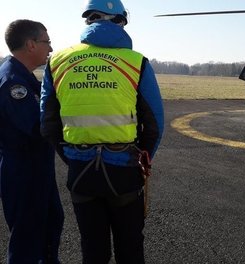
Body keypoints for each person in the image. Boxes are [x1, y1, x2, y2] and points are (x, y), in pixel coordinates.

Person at [40, 0, 164, 263]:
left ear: (89, 21)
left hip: (80, 172)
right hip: (124, 172)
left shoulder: (57, 62)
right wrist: (141, 156)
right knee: (130, 248)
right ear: (120, 21)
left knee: (92, 249)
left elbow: (48, 122)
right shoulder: (136, 62)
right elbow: (154, 124)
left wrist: (72, 155)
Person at [0, 19, 64, 263]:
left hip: (37, 170)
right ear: (30, 44)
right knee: (27, 240)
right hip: (24, 173)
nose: (50, 48)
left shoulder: (24, 77)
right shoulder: (14, 83)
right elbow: (38, 127)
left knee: (50, 223)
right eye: (46, 42)